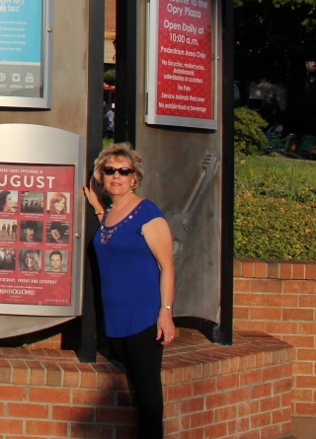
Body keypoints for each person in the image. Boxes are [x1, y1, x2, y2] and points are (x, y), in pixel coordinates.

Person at [83, 142, 176, 439]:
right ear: (101, 176)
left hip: (144, 317)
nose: (116, 176)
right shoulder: (110, 214)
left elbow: (167, 267)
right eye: (109, 170)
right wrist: (98, 209)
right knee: (135, 387)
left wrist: (166, 313)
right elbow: (114, 241)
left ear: (135, 177)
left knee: (148, 393)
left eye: (124, 171)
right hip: (115, 319)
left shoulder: (147, 212)